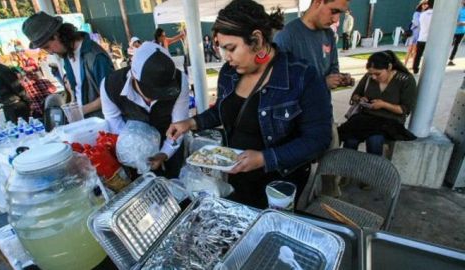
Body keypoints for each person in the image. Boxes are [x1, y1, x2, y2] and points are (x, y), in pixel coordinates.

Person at [167, 0, 332, 209]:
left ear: (256, 39)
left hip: (279, 182)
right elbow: (222, 111)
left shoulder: (302, 76)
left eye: (231, 48)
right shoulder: (229, 73)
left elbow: (318, 139)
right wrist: (190, 123)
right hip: (236, 175)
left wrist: (264, 158)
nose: (226, 58)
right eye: (223, 49)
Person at [101, 42, 189, 178]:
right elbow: (113, 121)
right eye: (151, 92)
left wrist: (165, 153)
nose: (153, 99)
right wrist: (135, 151)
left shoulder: (180, 80)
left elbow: (179, 124)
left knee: (175, 181)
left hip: (169, 140)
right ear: (134, 76)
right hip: (132, 150)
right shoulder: (110, 85)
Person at [22, 11, 114, 118]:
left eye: (47, 46)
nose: (50, 52)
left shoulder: (95, 56)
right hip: (86, 120)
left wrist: (80, 111)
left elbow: (111, 95)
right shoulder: (67, 54)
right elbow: (77, 91)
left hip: (104, 122)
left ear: (56, 35)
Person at [338, 51, 417, 156]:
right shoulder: (369, 76)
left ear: (389, 67)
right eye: (371, 74)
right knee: (350, 140)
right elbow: (355, 95)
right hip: (366, 118)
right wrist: (360, 99)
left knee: (374, 140)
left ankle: (374, 169)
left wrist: (384, 105)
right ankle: (346, 167)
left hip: (389, 122)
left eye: (377, 74)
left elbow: (404, 109)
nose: (374, 77)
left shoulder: (405, 80)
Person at [274, 0, 352, 90]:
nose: (336, 19)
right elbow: (279, 83)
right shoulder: (286, 36)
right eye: (334, 11)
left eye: (340, 13)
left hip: (324, 103)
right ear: (318, 2)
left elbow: (333, 66)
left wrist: (338, 78)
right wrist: (322, 84)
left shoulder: (329, 34)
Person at [0, 45, 30, 122]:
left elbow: (17, 87)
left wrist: (27, 103)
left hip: (17, 106)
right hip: (6, 107)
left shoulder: (2, 70)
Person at [404, 1, 427, 68]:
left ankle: (413, 65)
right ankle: (405, 64)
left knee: (415, 50)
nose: (425, 6)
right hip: (414, 33)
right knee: (410, 49)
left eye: (426, 4)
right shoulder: (417, 13)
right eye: (424, 4)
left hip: (420, 34)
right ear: (421, 5)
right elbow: (416, 22)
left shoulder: (426, 14)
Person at [413, 0, 433, 75]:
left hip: (421, 37)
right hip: (430, 39)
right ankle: (427, 70)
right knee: (429, 56)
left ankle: (415, 69)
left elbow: (419, 25)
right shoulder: (436, 15)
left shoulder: (422, 14)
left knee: (418, 55)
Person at [448, 0, 465, 66]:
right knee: (449, 45)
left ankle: (451, 60)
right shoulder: (458, 10)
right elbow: (455, 21)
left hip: (461, 32)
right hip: (453, 31)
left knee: (456, 46)